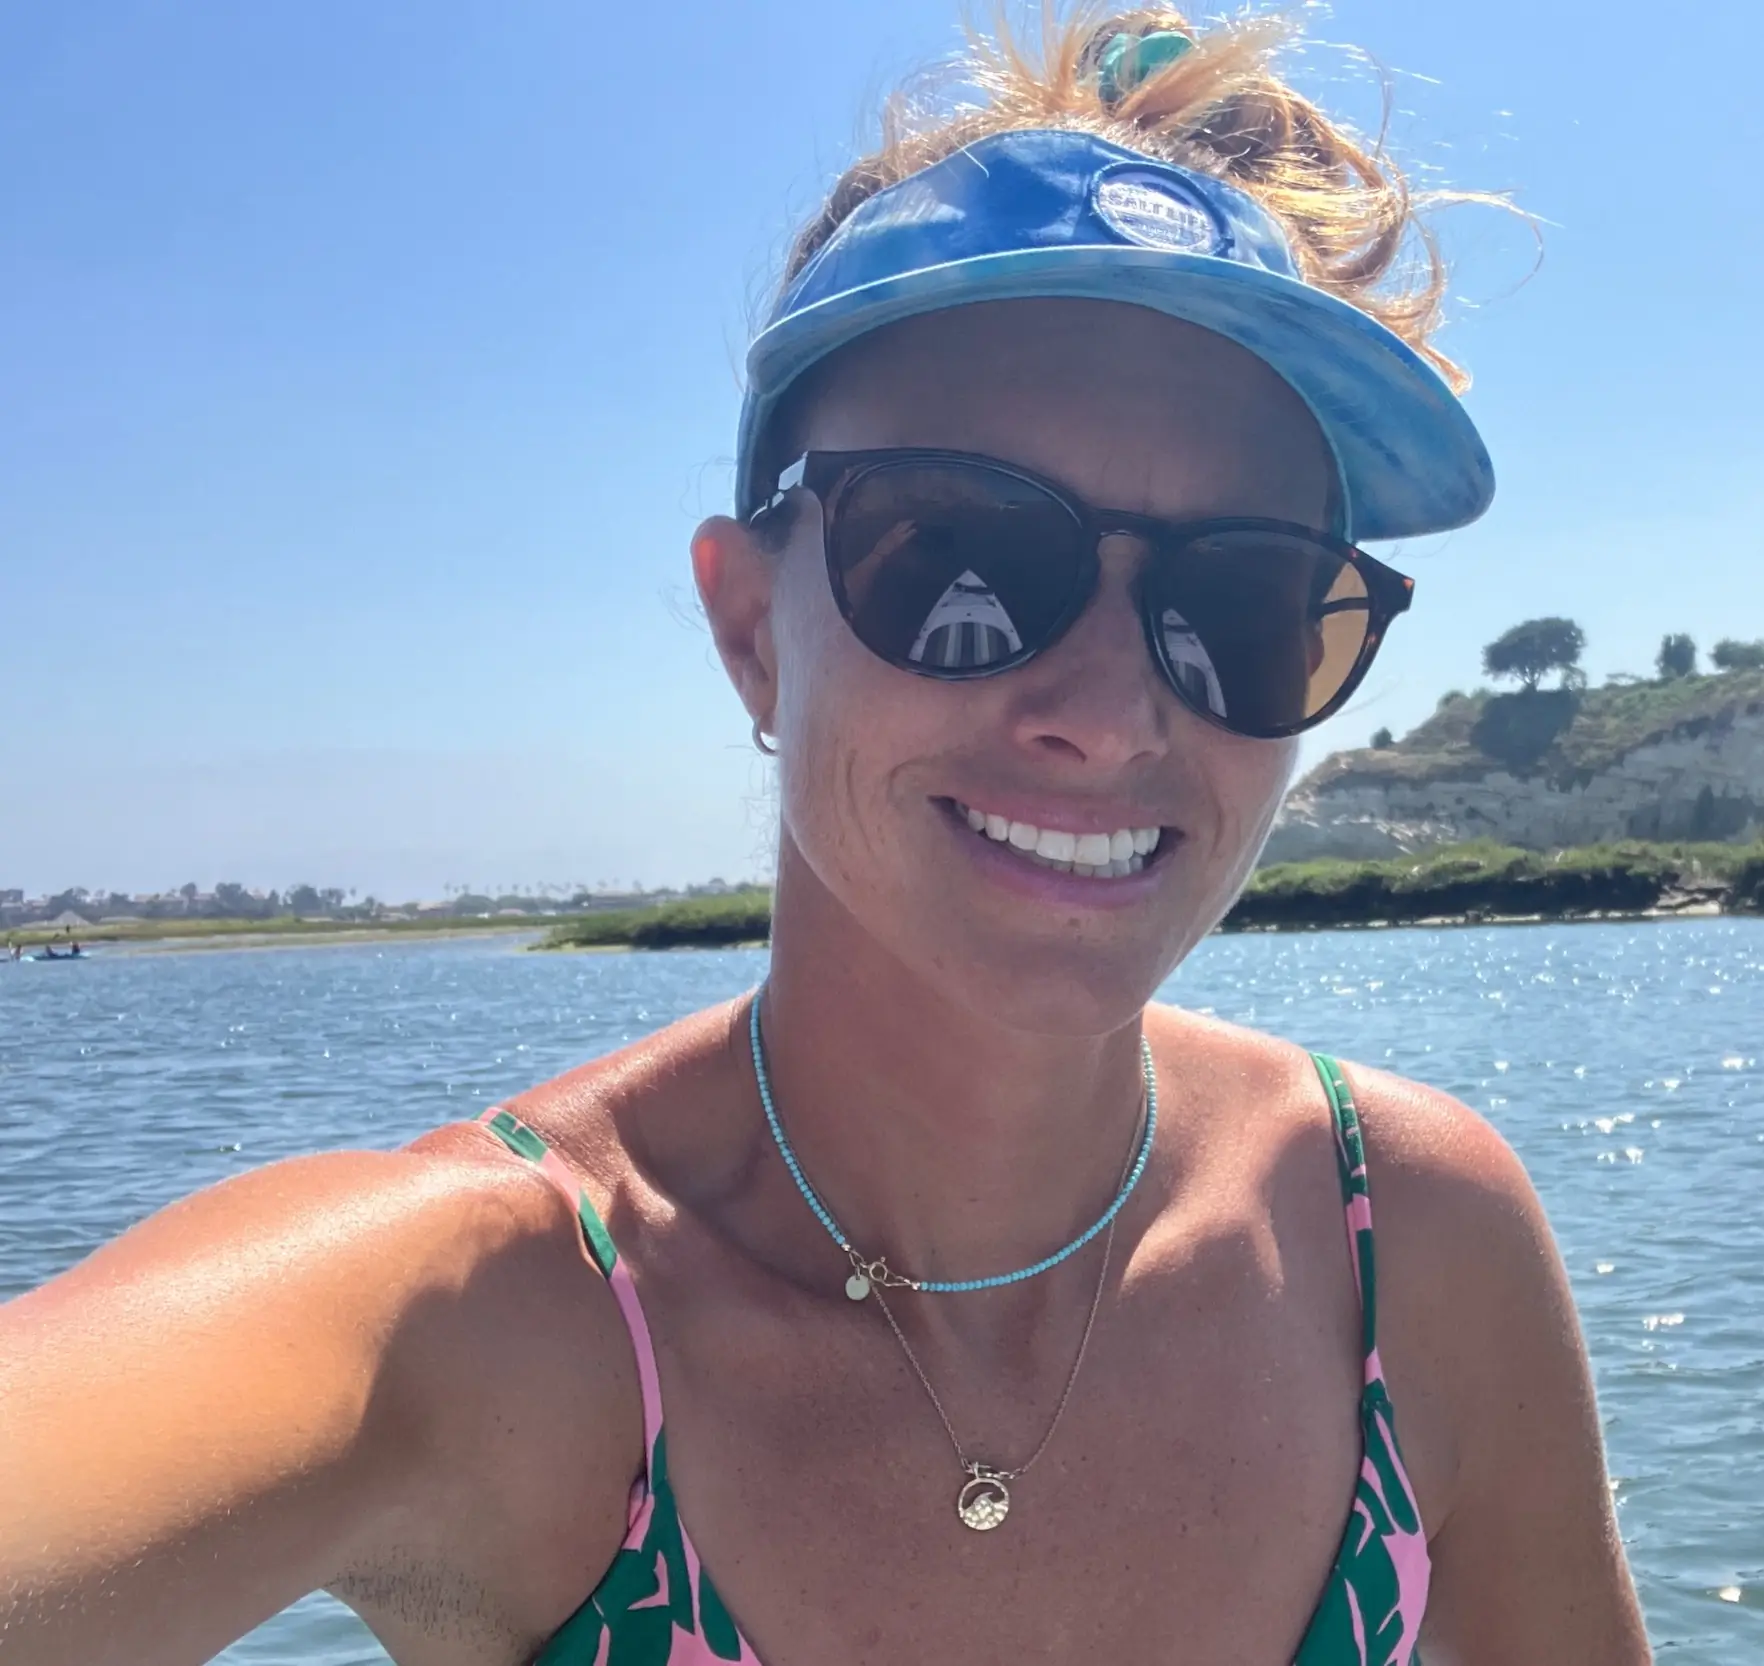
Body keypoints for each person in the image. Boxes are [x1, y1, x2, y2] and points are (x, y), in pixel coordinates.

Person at [0, 9, 1648, 1664]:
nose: (1112, 712)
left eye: (1241, 597)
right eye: (960, 565)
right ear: (749, 630)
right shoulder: (487, 1314)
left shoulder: (1409, 1242)